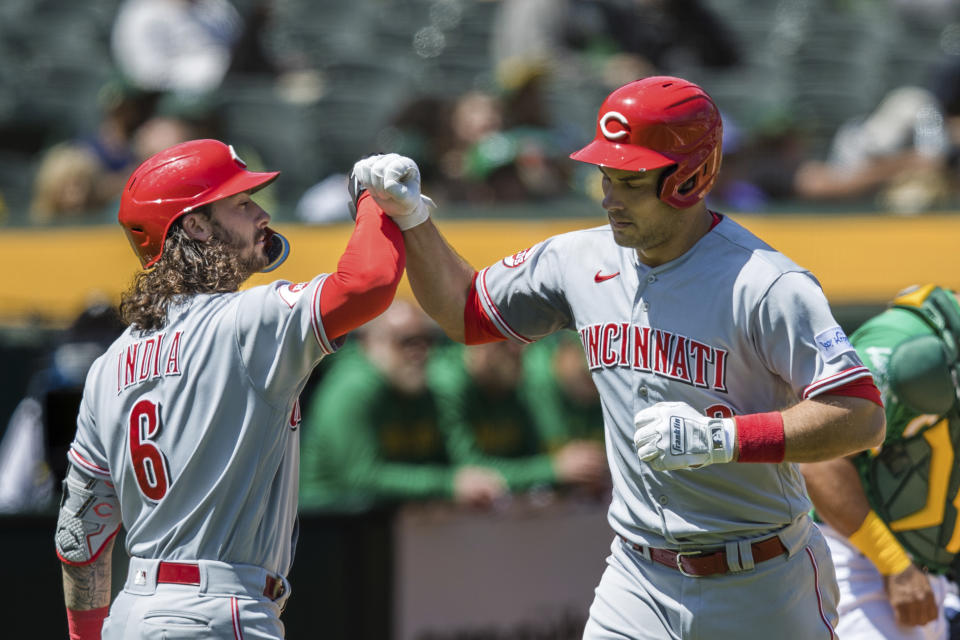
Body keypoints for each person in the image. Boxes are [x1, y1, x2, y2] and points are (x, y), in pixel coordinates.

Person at [350, 75, 887, 639]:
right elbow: (466, 313)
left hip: (761, 578)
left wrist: (724, 438)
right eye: (605, 176)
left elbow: (860, 414)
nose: (609, 196)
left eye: (629, 181)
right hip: (637, 577)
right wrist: (414, 220)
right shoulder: (578, 256)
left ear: (689, 178)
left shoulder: (767, 283)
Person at [54, 138, 406, 640]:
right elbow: (369, 282)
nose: (261, 213)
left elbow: (80, 540)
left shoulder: (108, 365)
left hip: (131, 614)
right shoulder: (244, 321)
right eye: (241, 203)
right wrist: (376, 201)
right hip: (215, 612)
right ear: (195, 225)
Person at [801, 284, 960, 639]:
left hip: (930, 570)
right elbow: (819, 461)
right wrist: (895, 565)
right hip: (857, 557)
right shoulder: (907, 345)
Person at [299, 299, 507, 511]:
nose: (419, 352)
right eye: (405, 341)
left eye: (427, 340)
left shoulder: (430, 390)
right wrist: (448, 483)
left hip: (395, 522)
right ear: (370, 344)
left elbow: (464, 462)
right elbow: (360, 477)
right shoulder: (351, 390)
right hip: (326, 522)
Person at [429, 340, 609, 495]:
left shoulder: (514, 378)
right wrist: (551, 469)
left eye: (522, 339)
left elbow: (530, 455)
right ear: (479, 341)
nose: (520, 349)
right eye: (505, 341)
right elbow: (471, 473)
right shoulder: (449, 382)